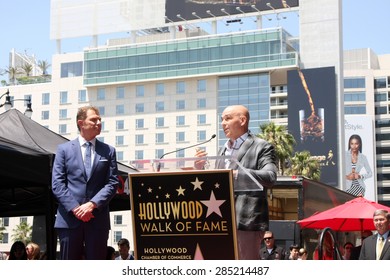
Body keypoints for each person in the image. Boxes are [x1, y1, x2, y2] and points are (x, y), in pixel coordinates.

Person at [195, 105, 278, 260]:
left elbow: (270, 176)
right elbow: (217, 185)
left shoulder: (262, 146)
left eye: (227, 118)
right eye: (222, 120)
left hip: (246, 222)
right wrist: (201, 169)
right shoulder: (222, 150)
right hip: (220, 221)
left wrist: (238, 174)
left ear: (242, 120)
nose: (223, 123)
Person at [52, 106, 119, 260]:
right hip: (69, 221)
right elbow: (57, 183)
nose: (99, 123)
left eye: (100, 120)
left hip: (97, 220)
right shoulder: (63, 149)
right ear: (81, 123)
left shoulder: (109, 151)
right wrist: (76, 208)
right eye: (94, 119)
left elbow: (112, 183)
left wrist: (92, 205)